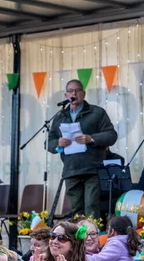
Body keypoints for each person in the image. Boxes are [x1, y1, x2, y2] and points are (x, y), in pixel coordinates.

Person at [48, 79, 118, 219]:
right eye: (70, 91)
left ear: (83, 93)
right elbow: (49, 143)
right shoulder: (60, 116)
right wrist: (58, 142)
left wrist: (90, 138)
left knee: (91, 207)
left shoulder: (97, 113)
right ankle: (78, 241)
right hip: (71, 170)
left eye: (77, 90)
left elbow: (111, 135)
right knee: (76, 212)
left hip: (92, 169)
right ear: (66, 95)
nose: (74, 93)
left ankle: (91, 239)